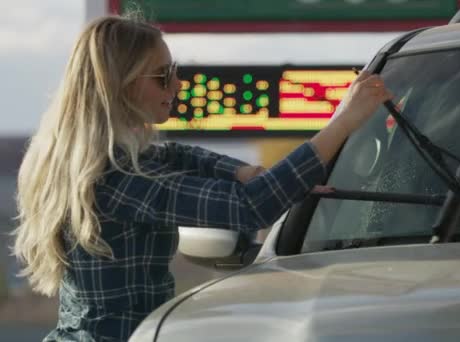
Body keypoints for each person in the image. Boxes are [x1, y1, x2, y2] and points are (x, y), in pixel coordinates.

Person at [11, 14, 392, 342]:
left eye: (174, 72)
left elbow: (178, 155)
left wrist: (245, 171)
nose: (177, 85)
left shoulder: (98, 161)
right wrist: (343, 122)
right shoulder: (117, 179)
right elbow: (252, 207)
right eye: (163, 76)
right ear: (121, 85)